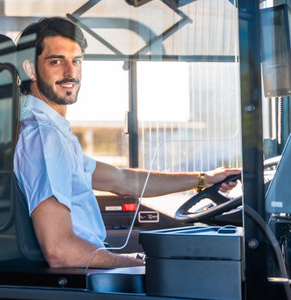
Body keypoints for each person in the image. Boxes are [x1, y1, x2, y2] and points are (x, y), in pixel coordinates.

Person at [13, 17, 240, 268]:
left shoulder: (51, 131)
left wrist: (203, 180)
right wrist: (135, 264)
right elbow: (60, 251)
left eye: (76, 61)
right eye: (56, 61)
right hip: (79, 276)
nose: (70, 73)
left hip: (85, 265)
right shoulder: (45, 137)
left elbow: (122, 180)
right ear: (30, 70)